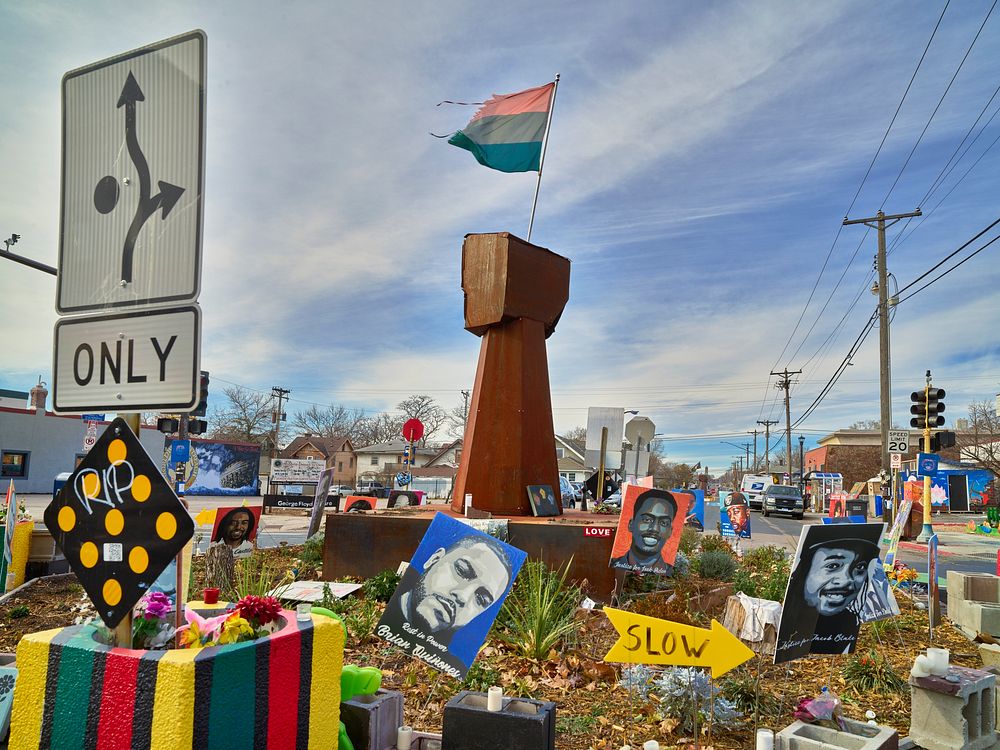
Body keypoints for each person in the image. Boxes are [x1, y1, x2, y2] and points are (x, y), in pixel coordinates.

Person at [388, 532, 513, 647]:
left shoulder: (453, 668)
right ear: (434, 559)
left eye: (481, 599)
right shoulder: (383, 618)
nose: (463, 597)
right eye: (462, 571)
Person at [777, 537, 879, 659]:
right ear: (804, 571)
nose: (847, 580)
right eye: (833, 565)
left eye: (860, 567)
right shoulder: (778, 623)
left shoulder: (848, 622)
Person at [610, 489, 677, 574]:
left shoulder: (675, 576)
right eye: (647, 519)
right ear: (631, 524)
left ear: (670, 531)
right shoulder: (612, 567)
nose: (654, 529)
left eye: (663, 523)